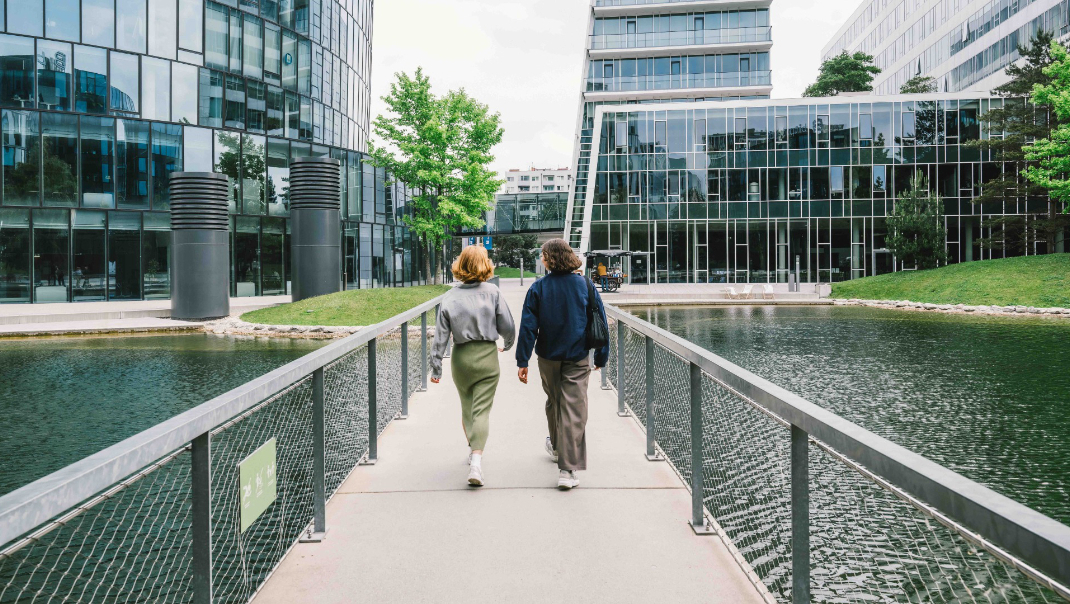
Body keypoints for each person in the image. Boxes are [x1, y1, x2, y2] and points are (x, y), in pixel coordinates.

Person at [516, 239, 609, 490]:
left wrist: (522, 360)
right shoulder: (586, 286)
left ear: (551, 258)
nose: (542, 259)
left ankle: (560, 451)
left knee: (555, 401)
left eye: (543, 255)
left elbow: (528, 328)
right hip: (578, 356)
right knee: (573, 408)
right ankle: (567, 469)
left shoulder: (538, 288)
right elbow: (601, 321)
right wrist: (601, 357)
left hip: (547, 357)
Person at [429, 245, 515, 487]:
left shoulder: (449, 297)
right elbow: (507, 326)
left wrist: (436, 368)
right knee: (482, 411)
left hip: (461, 357)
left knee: (468, 408)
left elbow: (440, 338)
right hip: (487, 355)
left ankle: (471, 451)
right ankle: (476, 461)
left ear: (460, 265)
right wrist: (507, 345)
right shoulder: (493, 292)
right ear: (485, 264)